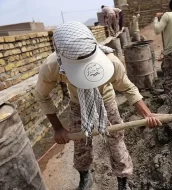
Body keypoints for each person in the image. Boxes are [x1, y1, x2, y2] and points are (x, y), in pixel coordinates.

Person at [33, 22, 161, 190]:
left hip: (106, 101)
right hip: (77, 103)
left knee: (116, 140)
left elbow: (128, 88)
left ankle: (123, 181)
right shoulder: (52, 66)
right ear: (61, 57)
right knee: (80, 143)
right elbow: (41, 95)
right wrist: (58, 128)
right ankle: (85, 176)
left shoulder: (110, 61)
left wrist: (147, 113)